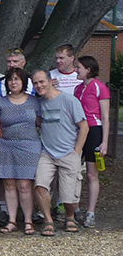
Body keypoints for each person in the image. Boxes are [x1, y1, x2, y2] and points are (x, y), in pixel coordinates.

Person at [32, 70, 88, 236]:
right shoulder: (38, 103)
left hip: (69, 152)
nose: (39, 86)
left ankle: (70, 217)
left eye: (42, 82)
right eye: (35, 83)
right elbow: (39, 122)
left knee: (68, 194)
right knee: (40, 185)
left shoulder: (69, 100)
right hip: (47, 153)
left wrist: (76, 151)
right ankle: (48, 220)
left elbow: (84, 127)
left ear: (50, 81)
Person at [0, 67, 41, 235]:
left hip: (29, 146)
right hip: (5, 146)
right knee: (9, 185)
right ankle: (11, 220)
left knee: (25, 185)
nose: (14, 82)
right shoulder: (0, 103)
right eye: (11, 79)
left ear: (24, 82)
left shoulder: (34, 101)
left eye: (17, 79)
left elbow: (41, 124)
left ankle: (28, 220)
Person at [73, 56, 109, 228]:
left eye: (79, 67)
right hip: (79, 130)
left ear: (88, 69)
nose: (76, 70)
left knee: (91, 173)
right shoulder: (78, 89)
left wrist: (105, 142)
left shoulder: (99, 87)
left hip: (94, 130)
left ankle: (91, 212)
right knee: (72, 171)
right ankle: (73, 208)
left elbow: (106, 117)